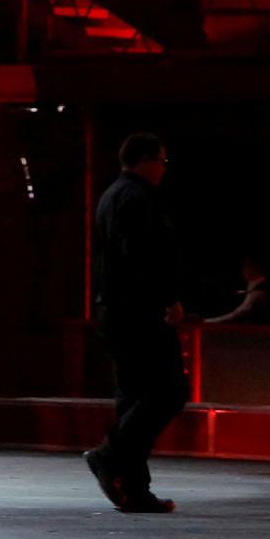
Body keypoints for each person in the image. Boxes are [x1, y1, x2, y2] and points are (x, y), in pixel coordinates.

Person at [83, 133, 186, 513]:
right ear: (144, 160)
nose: (163, 169)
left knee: (133, 399)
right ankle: (109, 456)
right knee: (168, 392)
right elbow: (142, 256)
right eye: (161, 161)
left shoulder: (111, 196)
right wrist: (168, 298)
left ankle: (133, 488)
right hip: (138, 312)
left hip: (114, 310)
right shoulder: (137, 199)